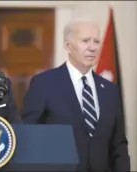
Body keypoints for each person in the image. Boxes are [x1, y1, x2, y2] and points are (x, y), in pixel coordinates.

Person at [22, 17, 130, 171]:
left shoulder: (109, 90)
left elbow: (118, 144)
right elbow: (28, 137)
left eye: (96, 41)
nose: (92, 48)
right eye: (85, 41)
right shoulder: (44, 83)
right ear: (68, 45)